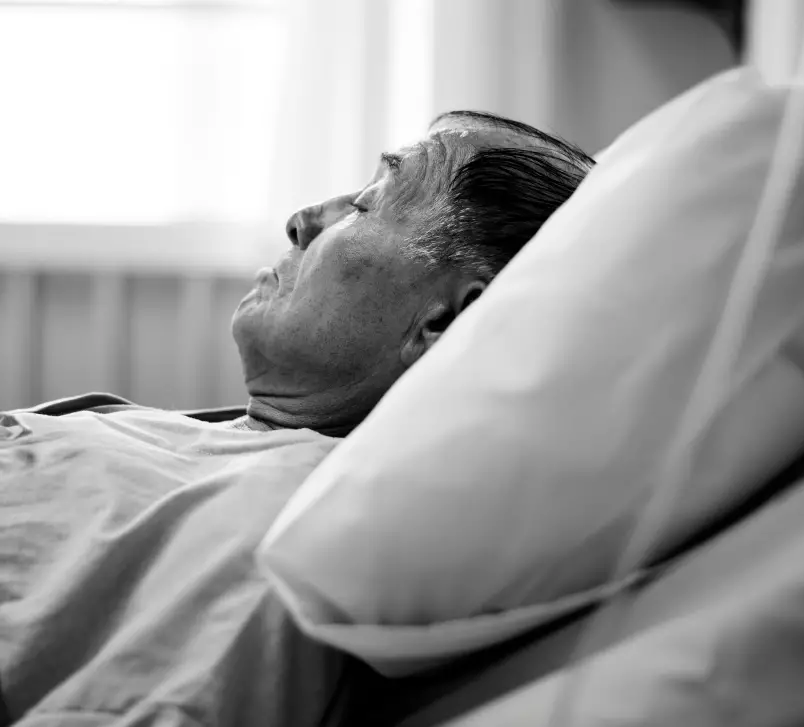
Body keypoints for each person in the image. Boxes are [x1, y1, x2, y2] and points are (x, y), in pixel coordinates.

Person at [0, 112, 594, 727]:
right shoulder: (226, 458)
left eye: (366, 204)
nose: (302, 219)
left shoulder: (285, 531)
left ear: (445, 322)